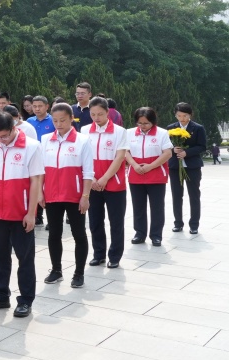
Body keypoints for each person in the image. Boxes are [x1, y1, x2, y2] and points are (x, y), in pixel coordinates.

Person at [0, 113, 44, 319]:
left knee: (25, 258)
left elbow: (36, 181)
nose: (2, 140)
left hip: (20, 213)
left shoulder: (32, 146)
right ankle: (1, 295)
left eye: (5, 136)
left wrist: (31, 213)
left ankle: (25, 300)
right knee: (0, 256)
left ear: (14, 127)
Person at [41, 103, 94, 288]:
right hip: (52, 195)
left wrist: (85, 196)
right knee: (54, 234)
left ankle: (79, 273)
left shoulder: (83, 140)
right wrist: (40, 193)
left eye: (63, 120)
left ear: (72, 119)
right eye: (55, 121)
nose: (59, 124)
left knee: (79, 234)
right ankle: (56, 270)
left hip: (75, 195)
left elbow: (88, 171)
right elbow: (40, 170)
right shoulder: (45, 140)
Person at [84, 97, 128, 269]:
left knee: (116, 221)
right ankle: (99, 254)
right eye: (93, 114)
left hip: (114, 183)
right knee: (95, 221)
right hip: (92, 183)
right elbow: (84, 157)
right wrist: (93, 179)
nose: (96, 118)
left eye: (100, 114)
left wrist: (104, 178)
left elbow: (120, 157)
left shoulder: (119, 131)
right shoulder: (85, 130)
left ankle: (115, 256)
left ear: (108, 112)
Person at [125, 107, 172, 246]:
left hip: (156, 175)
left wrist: (150, 166)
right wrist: (135, 165)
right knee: (138, 206)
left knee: (157, 207)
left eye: (146, 123)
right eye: (139, 123)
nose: (143, 126)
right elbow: (125, 152)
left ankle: (156, 235)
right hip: (136, 174)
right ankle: (140, 233)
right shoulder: (129, 133)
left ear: (153, 121)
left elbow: (167, 153)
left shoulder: (162, 133)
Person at [169, 102, 206, 235]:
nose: (182, 118)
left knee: (194, 195)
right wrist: (173, 149)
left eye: (185, 116)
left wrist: (187, 152)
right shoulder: (171, 128)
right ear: (175, 115)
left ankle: (194, 225)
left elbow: (202, 146)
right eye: (179, 116)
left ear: (190, 115)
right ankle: (178, 223)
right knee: (176, 195)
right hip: (175, 167)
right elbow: (166, 146)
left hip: (192, 166)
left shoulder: (198, 128)